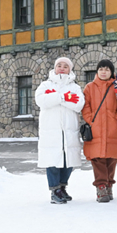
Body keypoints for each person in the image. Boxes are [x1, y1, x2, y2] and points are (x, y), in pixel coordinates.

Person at [35, 57, 85, 204]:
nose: (62, 68)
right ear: (54, 68)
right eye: (59, 65)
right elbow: (41, 101)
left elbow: (79, 104)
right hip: (51, 132)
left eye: (65, 66)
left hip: (69, 131)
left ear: (70, 69)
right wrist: (63, 97)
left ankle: (62, 187)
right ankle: (54, 190)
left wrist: (55, 100)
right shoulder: (45, 85)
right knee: (53, 161)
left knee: (68, 162)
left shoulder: (75, 87)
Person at [82, 59, 117, 202]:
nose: (104, 72)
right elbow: (86, 106)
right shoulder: (89, 87)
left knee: (111, 158)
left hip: (113, 128)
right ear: (97, 71)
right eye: (101, 69)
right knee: (97, 159)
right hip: (96, 128)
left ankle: (109, 184)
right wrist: (91, 120)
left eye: (107, 70)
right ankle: (101, 186)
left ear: (111, 72)